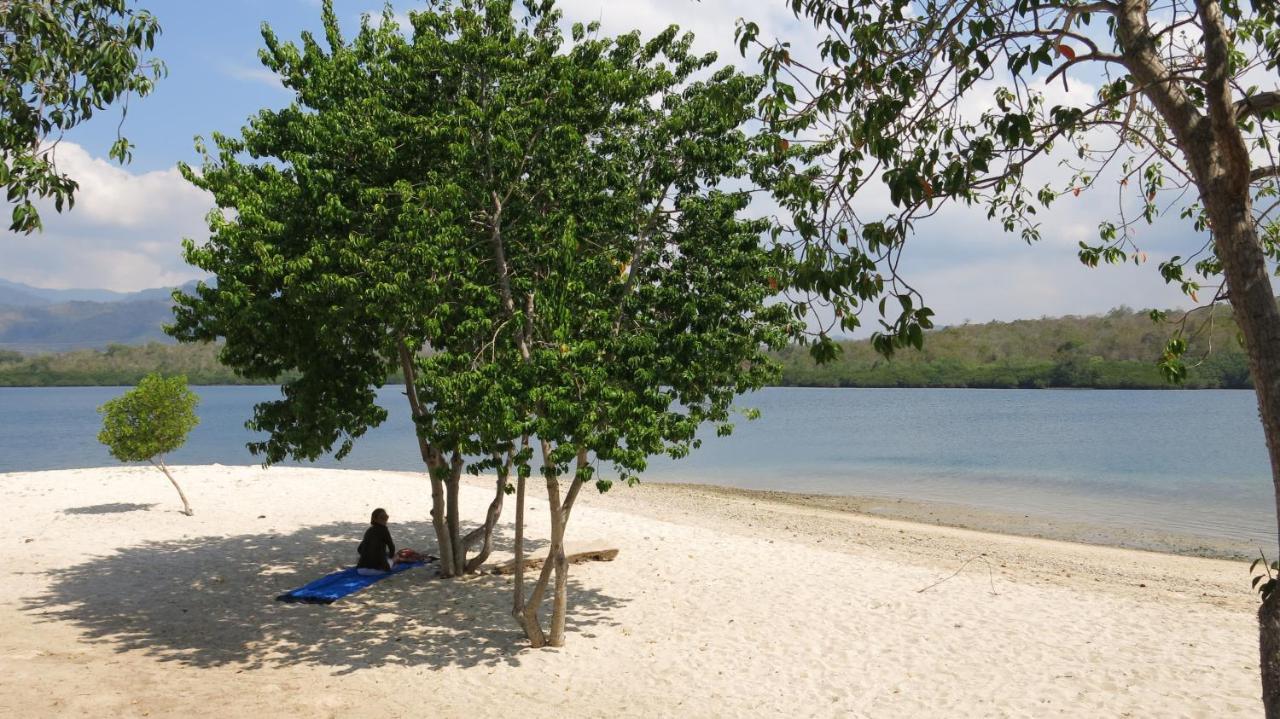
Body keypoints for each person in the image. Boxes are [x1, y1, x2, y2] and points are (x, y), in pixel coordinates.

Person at [356, 508, 396, 576]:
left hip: (360, 569)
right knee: (395, 558)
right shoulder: (384, 530)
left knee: (384, 554)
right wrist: (390, 557)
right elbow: (392, 547)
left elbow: (359, 549)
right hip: (377, 570)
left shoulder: (369, 531)